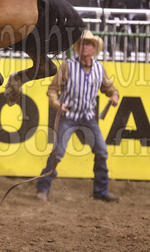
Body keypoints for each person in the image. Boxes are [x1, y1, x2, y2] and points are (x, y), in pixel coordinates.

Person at [35, 30, 120, 203]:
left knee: (102, 152)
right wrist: (57, 103)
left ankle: (100, 190)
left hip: (89, 118)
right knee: (57, 153)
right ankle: (43, 188)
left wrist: (114, 96)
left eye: (89, 44)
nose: (85, 47)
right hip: (69, 116)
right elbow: (52, 90)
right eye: (82, 43)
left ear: (94, 48)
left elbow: (109, 88)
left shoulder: (99, 68)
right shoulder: (67, 66)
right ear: (78, 47)